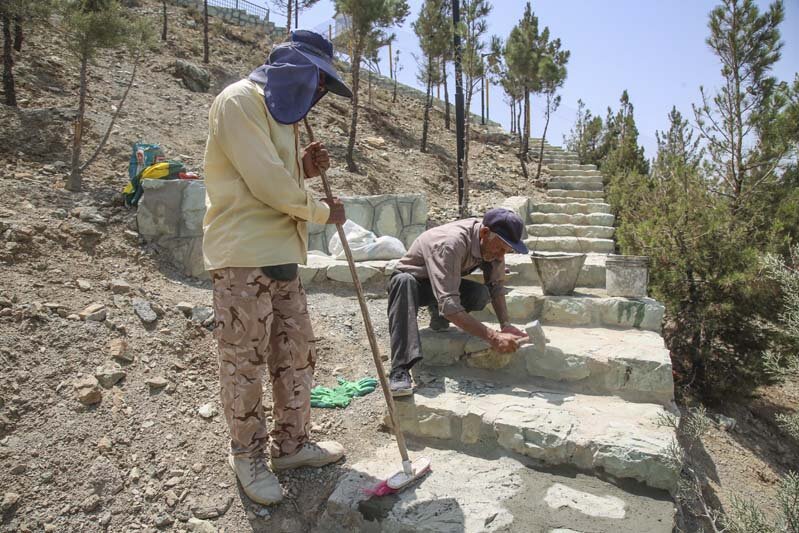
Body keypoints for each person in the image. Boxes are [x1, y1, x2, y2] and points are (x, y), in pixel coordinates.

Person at [202, 30, 352, 505]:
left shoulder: (282, 117)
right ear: (294, 72)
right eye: (318, 83)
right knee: (244, 362)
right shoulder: (238, 102)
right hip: (243, 257)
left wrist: (303, 168)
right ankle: (247, 456)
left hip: (282, 255)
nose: (319, 94)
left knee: (295, 351)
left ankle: (292, 444)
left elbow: (276, 177)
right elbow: (265, 183)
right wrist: (323, 211)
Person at [387, 208, 530, 396]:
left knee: (480, 293)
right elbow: (450, 305)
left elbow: (495, 287)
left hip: (443, 280)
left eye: (507, 251)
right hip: (415, 283)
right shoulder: (450, 243)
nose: (502, 256)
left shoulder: (492, 242)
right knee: (403, 282)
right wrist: (494, 338)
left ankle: (438, 315)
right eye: (500, 248)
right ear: (485, 233)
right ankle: (400, 370)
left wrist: (506, 325)